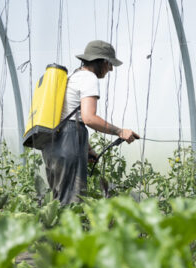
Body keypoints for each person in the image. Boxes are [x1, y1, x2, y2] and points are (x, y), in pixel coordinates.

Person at [41, 40, 139, 205]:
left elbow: (71, 117)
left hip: (52, 144)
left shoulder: (73, 76)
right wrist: (119, 131)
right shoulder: (88, 78)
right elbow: (89, 118)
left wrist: (88, 149)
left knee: (56, 202)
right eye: (110, 64)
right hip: (68, 143)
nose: (111, 69)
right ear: (102, 62)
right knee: (71, 204)